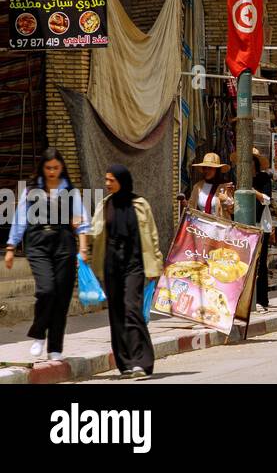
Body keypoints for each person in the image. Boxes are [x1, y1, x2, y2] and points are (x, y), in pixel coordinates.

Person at [4, 149, 90, 363]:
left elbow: (82, 222)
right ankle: (39, 333)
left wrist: (83, 249)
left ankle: (55, 347)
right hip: (39, 244)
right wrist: (11, 247)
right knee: (46, 290)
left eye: (56, 168)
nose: (52, 172)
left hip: (64, 245)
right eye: (48, 168)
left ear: (61, 168)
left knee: (62, 297)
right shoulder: (31, 190)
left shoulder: (70, 191)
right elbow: (20, 218)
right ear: (43, 167)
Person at [89, 165, 163, 379]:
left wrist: (155, 264)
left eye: (111, 180)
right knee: (117, 315)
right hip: (111, 266)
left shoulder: (140, 205)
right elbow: (95, 231)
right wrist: (80, 228)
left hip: (135, 266)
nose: (107, 184)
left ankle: (142, 361)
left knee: (132, 310)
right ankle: (126, 365)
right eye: (106, 180)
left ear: (122, 180)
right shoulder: (105, 205)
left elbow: (152, 235)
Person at [178, 152, 235, 220]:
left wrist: (226, 200)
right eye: (205, 168)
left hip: (221, 228)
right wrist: (185, 203)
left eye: (210, 168)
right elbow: (191, 208)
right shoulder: (198, 186)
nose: (206, 171)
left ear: (217, 170)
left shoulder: (226, 186)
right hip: (203, 228)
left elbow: (234, 210)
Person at [252, 147, 273, 312]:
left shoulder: (264, 178)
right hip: (245, 224)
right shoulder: (240, 178)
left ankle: (261, 298)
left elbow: (267, 199)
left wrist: (253, 192)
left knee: (260, 263)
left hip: (261, 225)